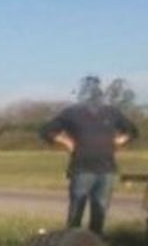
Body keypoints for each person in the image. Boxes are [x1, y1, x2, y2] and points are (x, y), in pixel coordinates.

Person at [39, 93, 138, 235]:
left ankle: (95, 242)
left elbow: (132, 131)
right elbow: (46, 130)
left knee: (100, 208)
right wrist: (66, 142)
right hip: (82, 168)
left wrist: (119, 141)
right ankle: (72, 242)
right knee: (77, 208)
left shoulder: (112, 112)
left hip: (107, 169)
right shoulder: (72, 113)